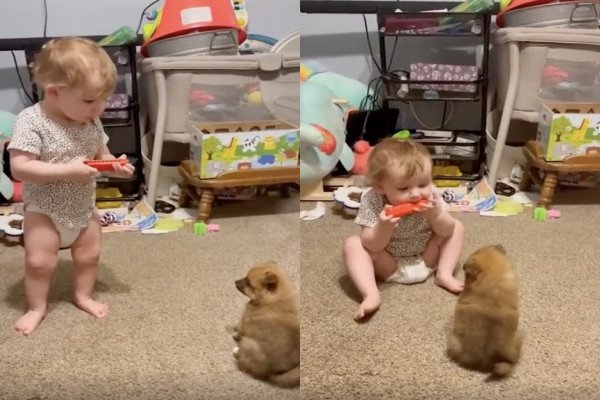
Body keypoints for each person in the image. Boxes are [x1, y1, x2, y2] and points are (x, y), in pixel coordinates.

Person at [7, 37, 134, 335]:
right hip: (44, 209)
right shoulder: (31, 121)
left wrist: (115, 166)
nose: (99, 108)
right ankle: (36, 307)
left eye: (104, 98)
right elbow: (20, 167)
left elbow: (101, 155)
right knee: (39, 261)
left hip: (83, 206)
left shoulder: (90, 122)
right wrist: (67, 169)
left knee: (90, 255)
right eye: (90, 100)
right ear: (54, 92)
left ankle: (82, 295)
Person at [343, 138, 465, 321]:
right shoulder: (372, 200)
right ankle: (371, 294)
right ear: (380, 187)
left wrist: (435, 215)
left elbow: (446, 231)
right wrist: (383, 227)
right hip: (390, 264)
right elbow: (371, 245)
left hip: (426, 257)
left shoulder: (431, 196)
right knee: (353, 244)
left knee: (456, 227)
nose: (416, 194)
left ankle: (444, 274)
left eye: (423, 184)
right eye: (403, 188)